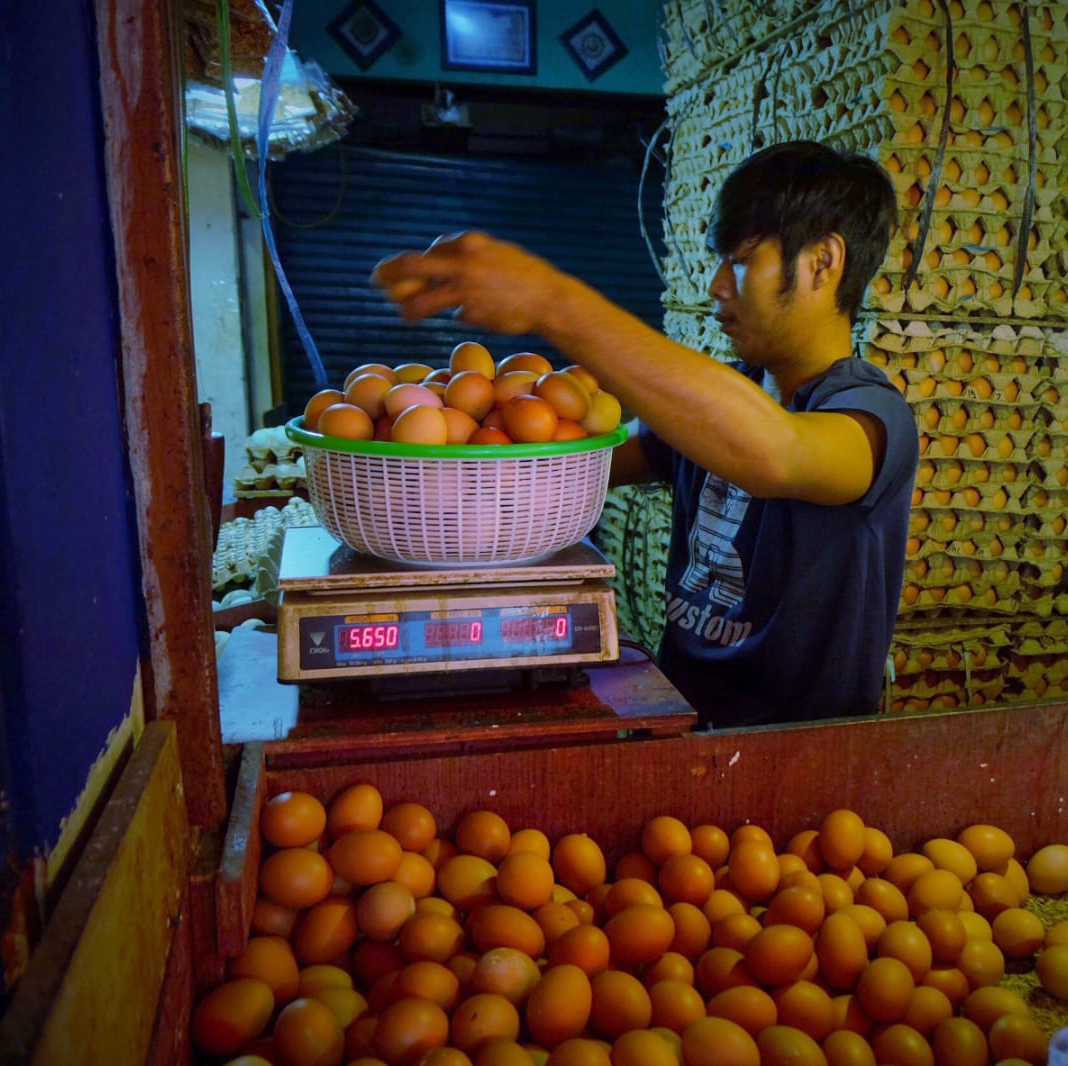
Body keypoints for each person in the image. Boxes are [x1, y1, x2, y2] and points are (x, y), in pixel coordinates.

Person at [371, 140, 917, 728]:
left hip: (795, 755)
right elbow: (580, 459)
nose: (716, 285)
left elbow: (776, 453)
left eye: (741, 259)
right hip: (680, 722)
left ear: (821, 263)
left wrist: (552, 301)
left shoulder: (871, 418)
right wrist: (451, 429)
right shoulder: (718, 402)